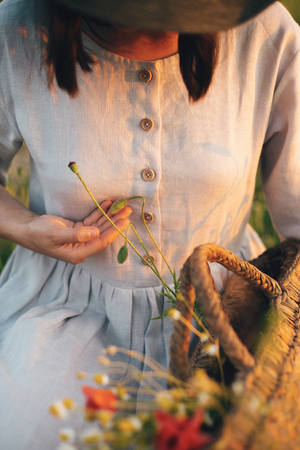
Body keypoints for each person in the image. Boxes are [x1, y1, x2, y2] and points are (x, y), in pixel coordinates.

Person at [0, 0, 299, 448]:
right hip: (65, 310)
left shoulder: (266, 34)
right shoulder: (17, 31)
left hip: (224, 312)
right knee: (31, 432)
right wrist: (25, 228)